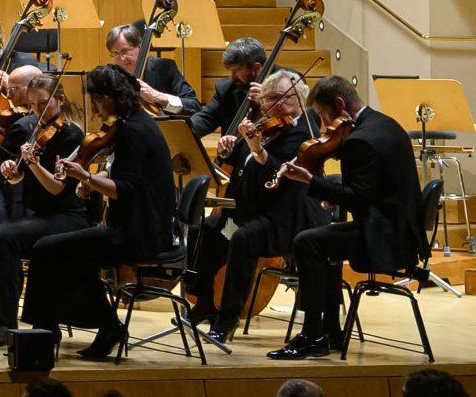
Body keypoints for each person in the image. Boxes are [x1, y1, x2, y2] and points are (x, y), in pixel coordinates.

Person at [21, 64, 176, 361]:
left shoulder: (135, 132)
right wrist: (92, 186)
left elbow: (125, 189)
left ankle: (54, 330)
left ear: (112, 97)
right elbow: (125, 179)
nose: (93, 106)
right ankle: (96, 325)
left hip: (141, 232)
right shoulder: (134, 123)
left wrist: (86, 178)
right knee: (63, 253)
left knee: (49, 249)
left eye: (96, 99)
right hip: (134, 225)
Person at [273, 76, 425, 361]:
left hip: (385, 237)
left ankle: (312, 334)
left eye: (322, 115)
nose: (323, 125)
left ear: (339, 105)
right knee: (324, 243)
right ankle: (330, 330)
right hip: (401, 228)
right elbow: (374, 183)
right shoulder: (386, 124)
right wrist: (336, 190)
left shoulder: (360, 141)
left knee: (307, 242)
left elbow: (359, 196)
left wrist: (310, 180)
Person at [185, 68, 318, 349]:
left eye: (278, 99)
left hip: (283, 217)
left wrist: (257, 149)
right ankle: (205, 303)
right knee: (205, 230)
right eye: (267, 98)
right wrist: (229, 147)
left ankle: (228, 317)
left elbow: (278, 176)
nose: (270, 105)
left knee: (245, 239)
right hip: (250, 209)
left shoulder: (305, 135)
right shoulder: (269, 125)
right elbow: (243, 160)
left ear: (298, 98)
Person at [0, 68, 90, 347]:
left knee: (1, 241)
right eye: (32, 105)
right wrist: (13, 171)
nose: (37, 111)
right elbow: (21, 178)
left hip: (67, 217)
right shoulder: (35, 130)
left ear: (61, 100)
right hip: (42, 215)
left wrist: (32, 163)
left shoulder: (71, 137)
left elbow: (56, 187)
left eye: (43, 104)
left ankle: (5, 325)